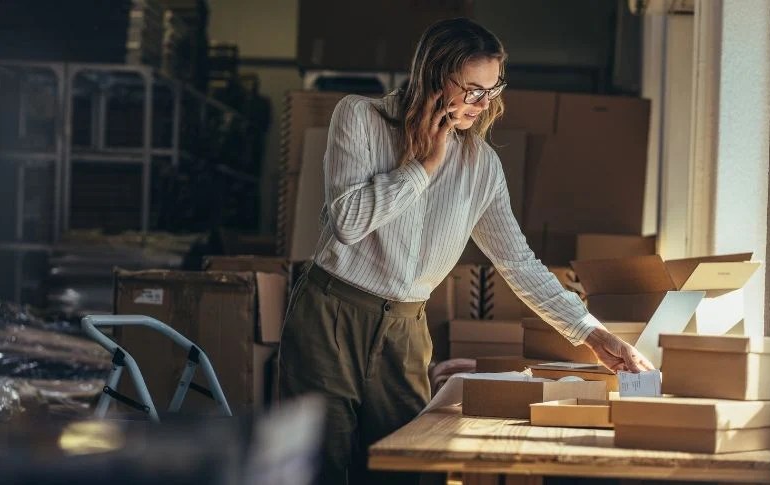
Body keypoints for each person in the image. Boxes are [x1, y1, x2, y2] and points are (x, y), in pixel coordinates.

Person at [278, 17, 655, 485]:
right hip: (329, 315)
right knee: (316, 466)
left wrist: (596, 336)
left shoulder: (481, 167)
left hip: (405, 331)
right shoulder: (359, 116)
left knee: (407, 471)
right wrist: (424, 167)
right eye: (473, 89)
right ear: (435, 75)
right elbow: (348, 224)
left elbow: (518, 263)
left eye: (493, 90)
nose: (483, 103)